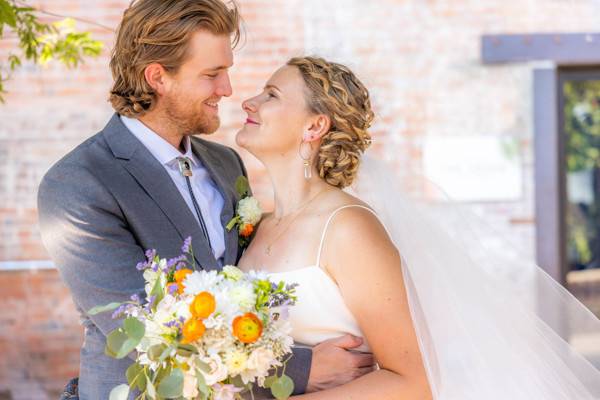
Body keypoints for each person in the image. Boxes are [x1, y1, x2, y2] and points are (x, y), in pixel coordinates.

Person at [37, 2, 371, 399]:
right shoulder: (78, 183)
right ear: (158, 77)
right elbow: (145, 330)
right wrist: (302, 368)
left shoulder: (226, 163)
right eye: (213, 74)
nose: (228, 90)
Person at [236, 55, 600, 399]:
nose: (249, 102)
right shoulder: (258, 226)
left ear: (314, 126)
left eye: (271, 95)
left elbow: (415, 382)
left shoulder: (347, 227)